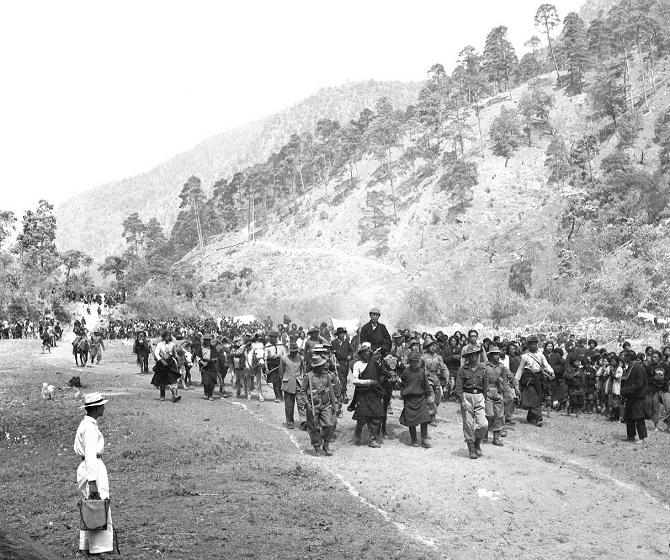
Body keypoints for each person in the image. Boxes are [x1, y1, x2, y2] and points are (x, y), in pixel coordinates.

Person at [74, 392, 114, 555]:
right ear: (96, 408)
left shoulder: (86, 424)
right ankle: (99, 548)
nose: (104, 407)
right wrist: (92, 481)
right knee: (98, 504)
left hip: (88, 466)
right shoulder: (90, 428)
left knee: (90, 505)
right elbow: (90, 454)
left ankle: (85, 545)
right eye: (102, 405)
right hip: (93, 467)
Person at [455, 345, 489, 459]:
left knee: (483, 424)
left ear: (478, 355)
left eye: (475, 355)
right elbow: (459, 386)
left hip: (479, 396)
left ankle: (477, 443)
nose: (473, 357)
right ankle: (471, 450)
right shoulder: (462, 369)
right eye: (471, 355)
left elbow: (485, 386)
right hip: (467, 396)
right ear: (468, 357)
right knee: (468, 424)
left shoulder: (483, 369)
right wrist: (462, 401)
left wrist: (483, 398)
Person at [350, 342, 385, 448]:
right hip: (363, 393)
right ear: (361, 353)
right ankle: (357, 434)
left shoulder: (374, 363)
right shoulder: (357, 364)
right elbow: (355, 381)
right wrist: (369, 382)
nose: (367, 354)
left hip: (374, 393)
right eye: (364, 352)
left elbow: (381, 374)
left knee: (376, 416)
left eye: (368, 352)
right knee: (362, 418)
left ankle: (373, 439)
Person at [301, 355, 337, 456]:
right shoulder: (308, 376)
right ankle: (317, 447)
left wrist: (333, 404)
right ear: (316, 366)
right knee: (314, 427)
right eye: (321, 365)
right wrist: (307, 404)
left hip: (325, 404)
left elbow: (331, 391)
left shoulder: (326, 376)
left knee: (329, 424)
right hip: (313, 405)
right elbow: (302, 392)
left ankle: (326, 445)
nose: (324, 367)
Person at [516, 335, 554, 427]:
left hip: (539, 379)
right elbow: (520, 369)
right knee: (533, 398)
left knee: (538, 398)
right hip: (529, 379)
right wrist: (516, 380)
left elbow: (546, 365)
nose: (533, 346)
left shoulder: (540, 355)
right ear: (528, 345)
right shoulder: (524, 356)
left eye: (535, 344)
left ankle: (531, 415)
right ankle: (539, 418)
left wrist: (551, 372)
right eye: (531, 344)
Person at [399, 352, 432, 448]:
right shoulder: (405, 372)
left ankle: (424, 438)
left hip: (420, 398)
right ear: (410, 362)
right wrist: (400, 387)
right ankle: (414, 439)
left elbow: (426, 385)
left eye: (416, 361)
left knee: (424, 418)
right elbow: (402, 383)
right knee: (411, 420)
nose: (415, 363)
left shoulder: (421, 372)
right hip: (409, 399)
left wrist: (429, 395)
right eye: (413, 362)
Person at [481, 345, 509, 446]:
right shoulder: (484, 366)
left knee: (499, 415)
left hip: (498, 391)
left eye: (498, 354)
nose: (497, 356)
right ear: (490, 356)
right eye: (495, 354)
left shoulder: (502, 367)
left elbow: (505, 381)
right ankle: (484, 434)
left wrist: (506, 395)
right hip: (488, 391)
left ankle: (496, 439)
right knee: (489, 415)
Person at [621, 350, 649, 443]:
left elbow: (639, 384)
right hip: (629, 396)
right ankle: (630, 436)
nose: (624, 358)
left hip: (637, 396)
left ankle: (642, 438)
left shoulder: (638, 368)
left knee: (638, 417)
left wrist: (626, 390)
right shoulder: (628, 367)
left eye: (625, 356)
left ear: (629, 357)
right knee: (629, 417)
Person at [280, 339, 306, 429]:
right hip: (288, 383)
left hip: (299, 383)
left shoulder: (301, 358)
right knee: (289, 405)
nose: (294, 353)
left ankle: (303, 421)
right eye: (292, 351)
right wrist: (284, 381)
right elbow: (281, 372)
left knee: (301, 403)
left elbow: (304, 371)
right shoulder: (284, 358)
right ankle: (290, 421)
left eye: (295, 351)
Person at [151, 330, 182, 403]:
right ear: (164, 337)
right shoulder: (160, 344)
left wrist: (178, 362)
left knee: (173, 378)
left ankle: (174, 395)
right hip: (161, 363)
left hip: (170, 363)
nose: (168, 337)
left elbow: (175, 354)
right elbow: (156, 354)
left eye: (169, 336)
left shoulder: (172, 344)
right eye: (167, 336)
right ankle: (162, 395)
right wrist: (161, 360)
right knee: (162, 379)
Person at [195, 333, 220, 401]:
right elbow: (197, 356)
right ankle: (206, 393)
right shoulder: (201, 348)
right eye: (206, 340)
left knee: (212, 381)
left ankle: (210, 395)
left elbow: (216, 356)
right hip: (204, 366)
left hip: (211, 365)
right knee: (206, 381)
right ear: (204, 340)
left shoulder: (213, 348)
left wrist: (214, 359)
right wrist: (201, 362)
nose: (208, 341)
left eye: (209, 340)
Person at [331, 327, 352, 403]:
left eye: (344, 333)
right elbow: (331, 351)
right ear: (338, 335)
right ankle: (340, 394)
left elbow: (351, 351)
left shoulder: (347, 343)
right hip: (337, 363)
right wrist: (335, 352)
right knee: (338, 377)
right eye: (341, 334)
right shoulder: (334, 342)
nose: (343, 335)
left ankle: (343, 392)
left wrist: (350, 356)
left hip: (345, 363)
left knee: (344, 378)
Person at [265, 331, 286, 403]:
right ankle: (277, 397)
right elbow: (265, 358)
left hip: (280, 364)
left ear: (276, 337)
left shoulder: (280, 344)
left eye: (274, 337)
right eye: (271, 337)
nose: (272, 339)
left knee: (281, 381)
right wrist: (266, 368)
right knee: (275, 381)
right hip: (272, 364)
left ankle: (281, 395)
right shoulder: (267, 345)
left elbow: (285, 354)